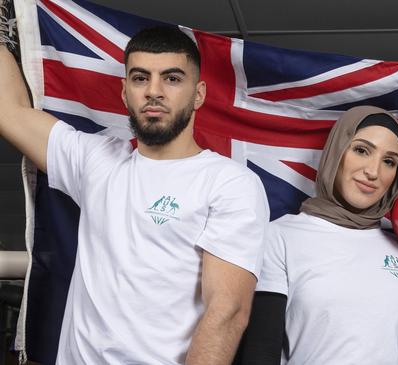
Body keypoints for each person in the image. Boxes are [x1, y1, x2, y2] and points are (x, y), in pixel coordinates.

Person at [0, 25, 269, 364]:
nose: (154, 91)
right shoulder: (96, 162)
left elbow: (227, 311)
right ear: (125, 92)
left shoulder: (228, 182)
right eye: (141, 78)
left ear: (198, 93)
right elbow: (9, 112)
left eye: (171, 79)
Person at [237, 106, 398, 364]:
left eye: (389, 161)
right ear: (337, 151)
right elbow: (261, 350)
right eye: (361, 150)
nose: (373, 172)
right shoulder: (281, 236)